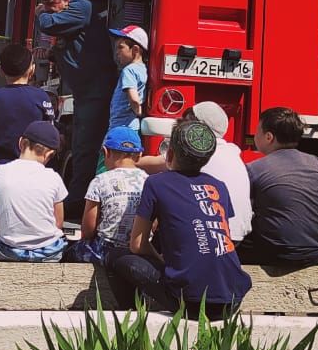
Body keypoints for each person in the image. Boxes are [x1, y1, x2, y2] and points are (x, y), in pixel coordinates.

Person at [117, 119, 252, 318]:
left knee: (119, 257)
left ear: (169, 154)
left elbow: (137, 244)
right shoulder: (219, 186)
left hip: (190, 303)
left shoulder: (156, 183)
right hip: (232, 299)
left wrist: (160, 259)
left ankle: (128, 316)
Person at [34, 0, 117, 218]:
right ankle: (79, 199)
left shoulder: (81, 7)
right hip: (85, 92)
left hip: (95, 92)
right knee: (82, 146)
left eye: (51, 1)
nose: (47, 6)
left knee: (86, 147)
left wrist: (41, 14)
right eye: (44, 3)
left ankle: (79, 203)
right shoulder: (72, 13)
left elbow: (48, 24)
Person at [242, 106, 318, 269]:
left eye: (257, 131)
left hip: (273, 253)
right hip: (314, 253)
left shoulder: (253, 169)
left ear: (268, 137)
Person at [136, 103, 254, 243]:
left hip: (205, 236)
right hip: (235, 237)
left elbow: (151, 165)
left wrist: (126, 159)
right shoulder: (232, 151)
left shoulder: (197, 149)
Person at [0, 121, 68, 263]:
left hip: (9, 250)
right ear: (50, 153)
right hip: (48, 252)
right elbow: (58, 222)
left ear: (21, 143)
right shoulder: (53, 177)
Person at [78, 127, 148, 265]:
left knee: (73, 250)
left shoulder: (99, 181)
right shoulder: (148, 181)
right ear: (139, 155)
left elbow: (88, 230)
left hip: (106, 250)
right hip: (139, 250)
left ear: (105, 152)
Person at [0, 43, 55, 166]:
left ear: (0, 71)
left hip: (1, 163)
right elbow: (50, 130)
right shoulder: (41, 96)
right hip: (34, 163)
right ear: (32, 69)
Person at [107, 25, 148, 131]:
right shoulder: (143, 69)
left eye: (120, 47)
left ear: (135, 50)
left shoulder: (128, 70)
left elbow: (134, 99)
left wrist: (139, 112)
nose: (117, 52)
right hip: (131, 125)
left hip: (120, 125)